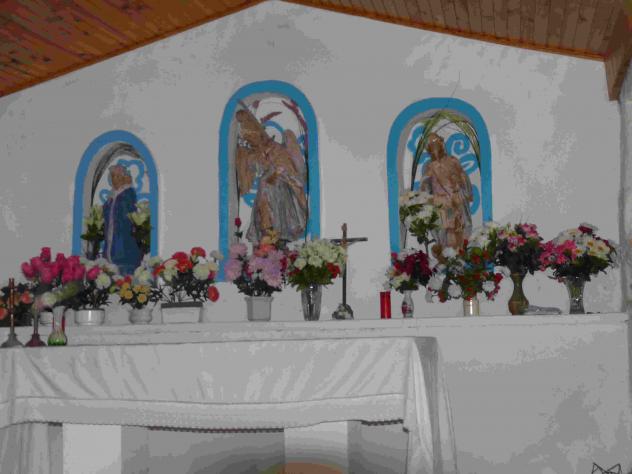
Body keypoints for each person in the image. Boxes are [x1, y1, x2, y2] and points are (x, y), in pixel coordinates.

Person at [234, 107, 308, 244]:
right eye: (250, 140)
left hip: (279, 187)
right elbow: (250, 165)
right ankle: (267, 235)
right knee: (264, 205)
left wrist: (278, 171)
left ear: (260, 135)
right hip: (265, 188)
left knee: (277, 211)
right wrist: (242, 152)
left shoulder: (276, 148)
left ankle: (276, 237)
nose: (253, 142)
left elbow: (288, 168)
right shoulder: (256, 152)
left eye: (254, 138)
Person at [420, 132, 473, 250]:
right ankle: (445, 254)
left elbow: (463, 177)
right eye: (431, 144)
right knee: (444, 231)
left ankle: (458, 254)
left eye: (436, 142)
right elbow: (425, 187)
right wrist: (430, 197)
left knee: (456, 229)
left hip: (454, 201)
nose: (434, 147)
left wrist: (459, 185)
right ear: (428, 149)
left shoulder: (452, 161)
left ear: (442, 144)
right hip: (440, 203)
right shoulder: (428, 166)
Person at [102, 165, 142, 275]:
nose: (115, 179)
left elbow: (127, 212)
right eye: (113, 176)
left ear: (124, 178)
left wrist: (128, 186)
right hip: (110, 240)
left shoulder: (128, 192)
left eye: (118, 176)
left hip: (123, 244)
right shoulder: (112, 195)